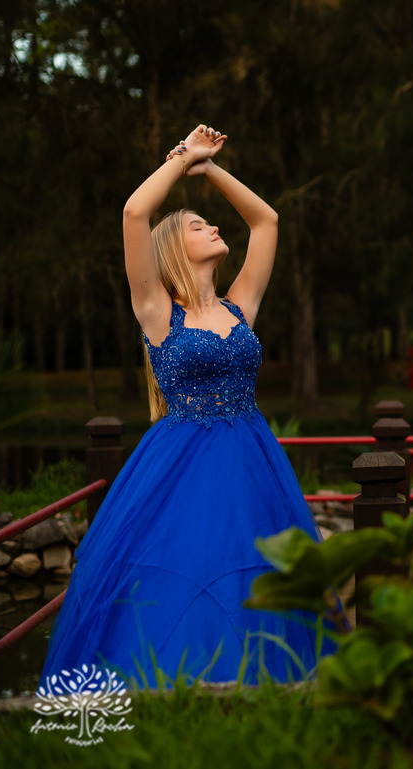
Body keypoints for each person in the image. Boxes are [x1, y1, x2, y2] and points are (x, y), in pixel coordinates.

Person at [41, 124, 338, 688]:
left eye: (209, 221)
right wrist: (182, 157)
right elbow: (134, 214)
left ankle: (266, 695)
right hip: (178, 466)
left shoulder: (240, 305)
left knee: (256, 576)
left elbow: (267, 220)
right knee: (185, 575)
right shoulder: (156, 309)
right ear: (175, 247)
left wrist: (211, 170)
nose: (213, 226)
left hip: (252, 460)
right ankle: (177, 694)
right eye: (199, 226)